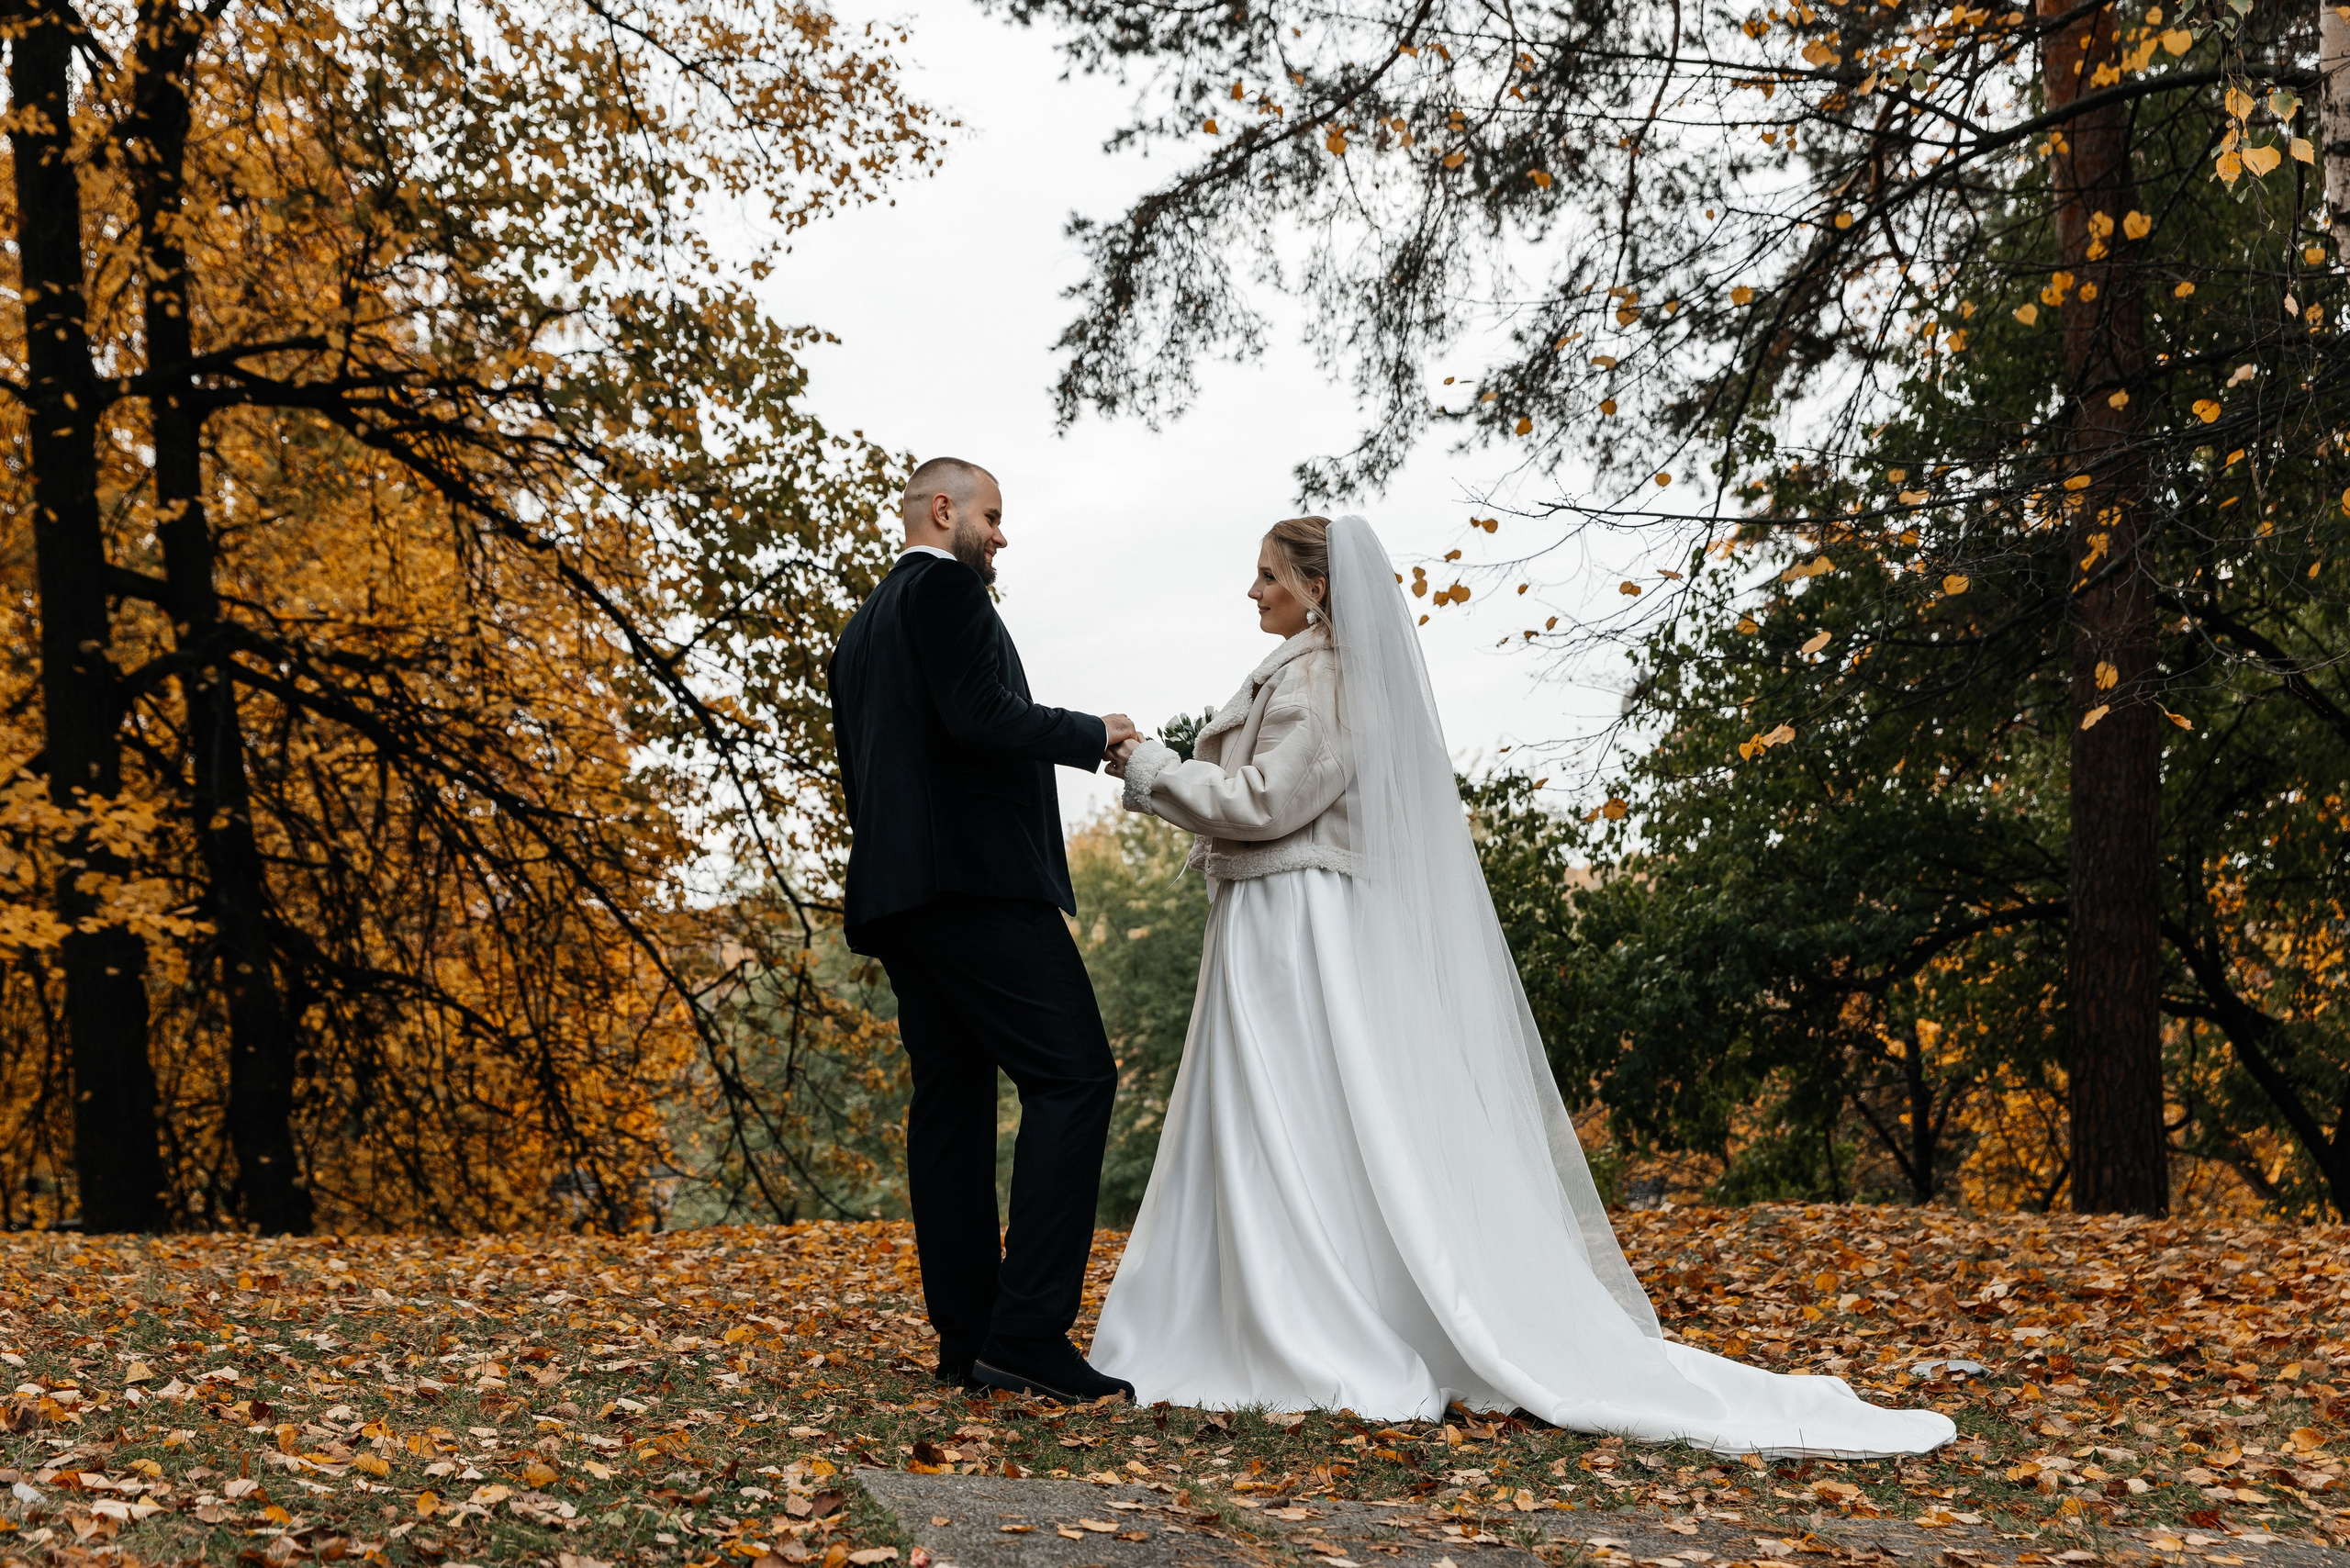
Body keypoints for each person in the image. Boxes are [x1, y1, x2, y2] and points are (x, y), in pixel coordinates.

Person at [1094, 515, 1954, 1456]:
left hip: (1292, 931)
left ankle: (1302, 1316)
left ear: (1317, 588)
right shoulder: (1316, 672)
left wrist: (1147, 763)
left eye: (1268, 575)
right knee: (1294, 1120)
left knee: (1289, 1117)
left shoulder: (1322, 677)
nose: (1253, 591)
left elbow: (1264, 803)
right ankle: (1276, 1301)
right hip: (1279, 920)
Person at [828, 455, 1138, 1405]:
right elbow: (980, 715)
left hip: (901, 899)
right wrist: (1092, 732)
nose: (1000, 536)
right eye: (992, 516)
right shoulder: (948, 590)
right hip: (975, 886)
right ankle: (1028, 1335)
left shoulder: (859, 630)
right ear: (943, 508)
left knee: (952, 1104)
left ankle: (968, 1338)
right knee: (1075, 1076)